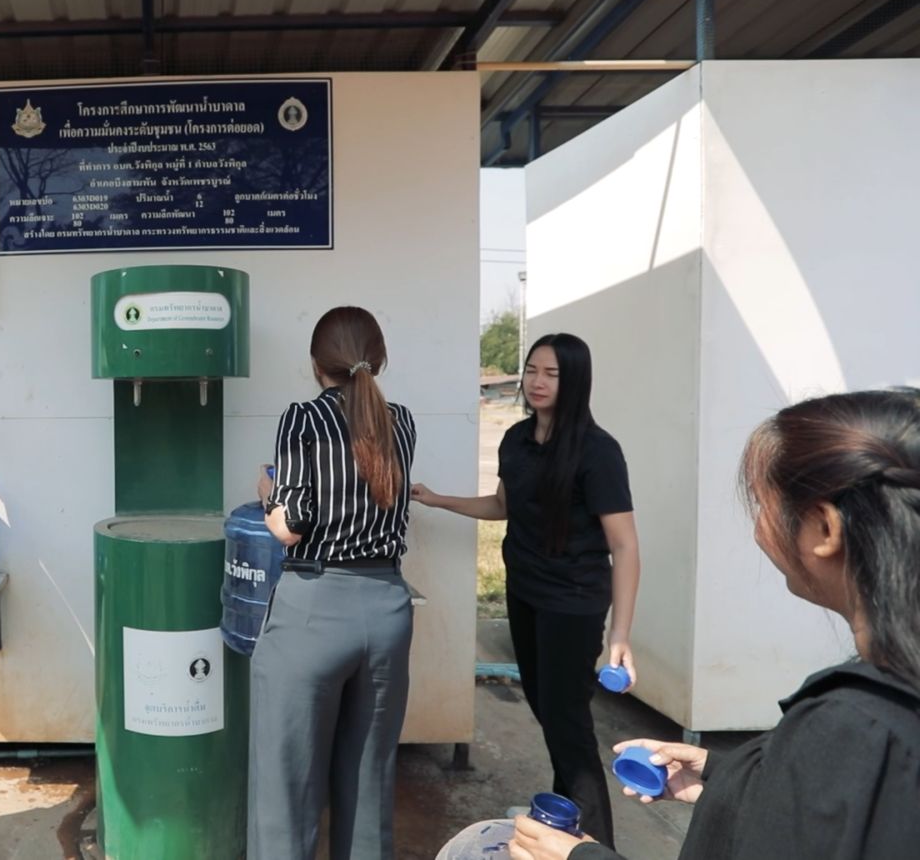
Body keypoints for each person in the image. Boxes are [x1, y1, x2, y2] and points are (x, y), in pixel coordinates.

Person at [510, 388, 920, 860]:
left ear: (825, 530)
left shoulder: (851, 727)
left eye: (763, 504)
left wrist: (579, 857)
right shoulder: (885, 704)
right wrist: (728, 774)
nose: (758, 527)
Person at [413, 333, 640, 847]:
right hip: (525, 592)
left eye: (551, 374)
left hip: (573, 602)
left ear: (574, 380)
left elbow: (625, 545)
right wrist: (439, 500)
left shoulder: (598, 452)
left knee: (568, 726)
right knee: (549, 713)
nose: (537, 382)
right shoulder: (516, 440)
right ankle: (566, 827)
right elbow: (503, 506)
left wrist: (620, 635)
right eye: (532, 370)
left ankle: (596, 847)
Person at [249, 306, 417, 860]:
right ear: (379, 359)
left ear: (316, 364)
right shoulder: (402, 421)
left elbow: (290, 528)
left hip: (314, 611)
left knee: (286, 792)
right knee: (369, 784)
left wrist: (268, 494)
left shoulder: (303, 418)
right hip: (387, 609)